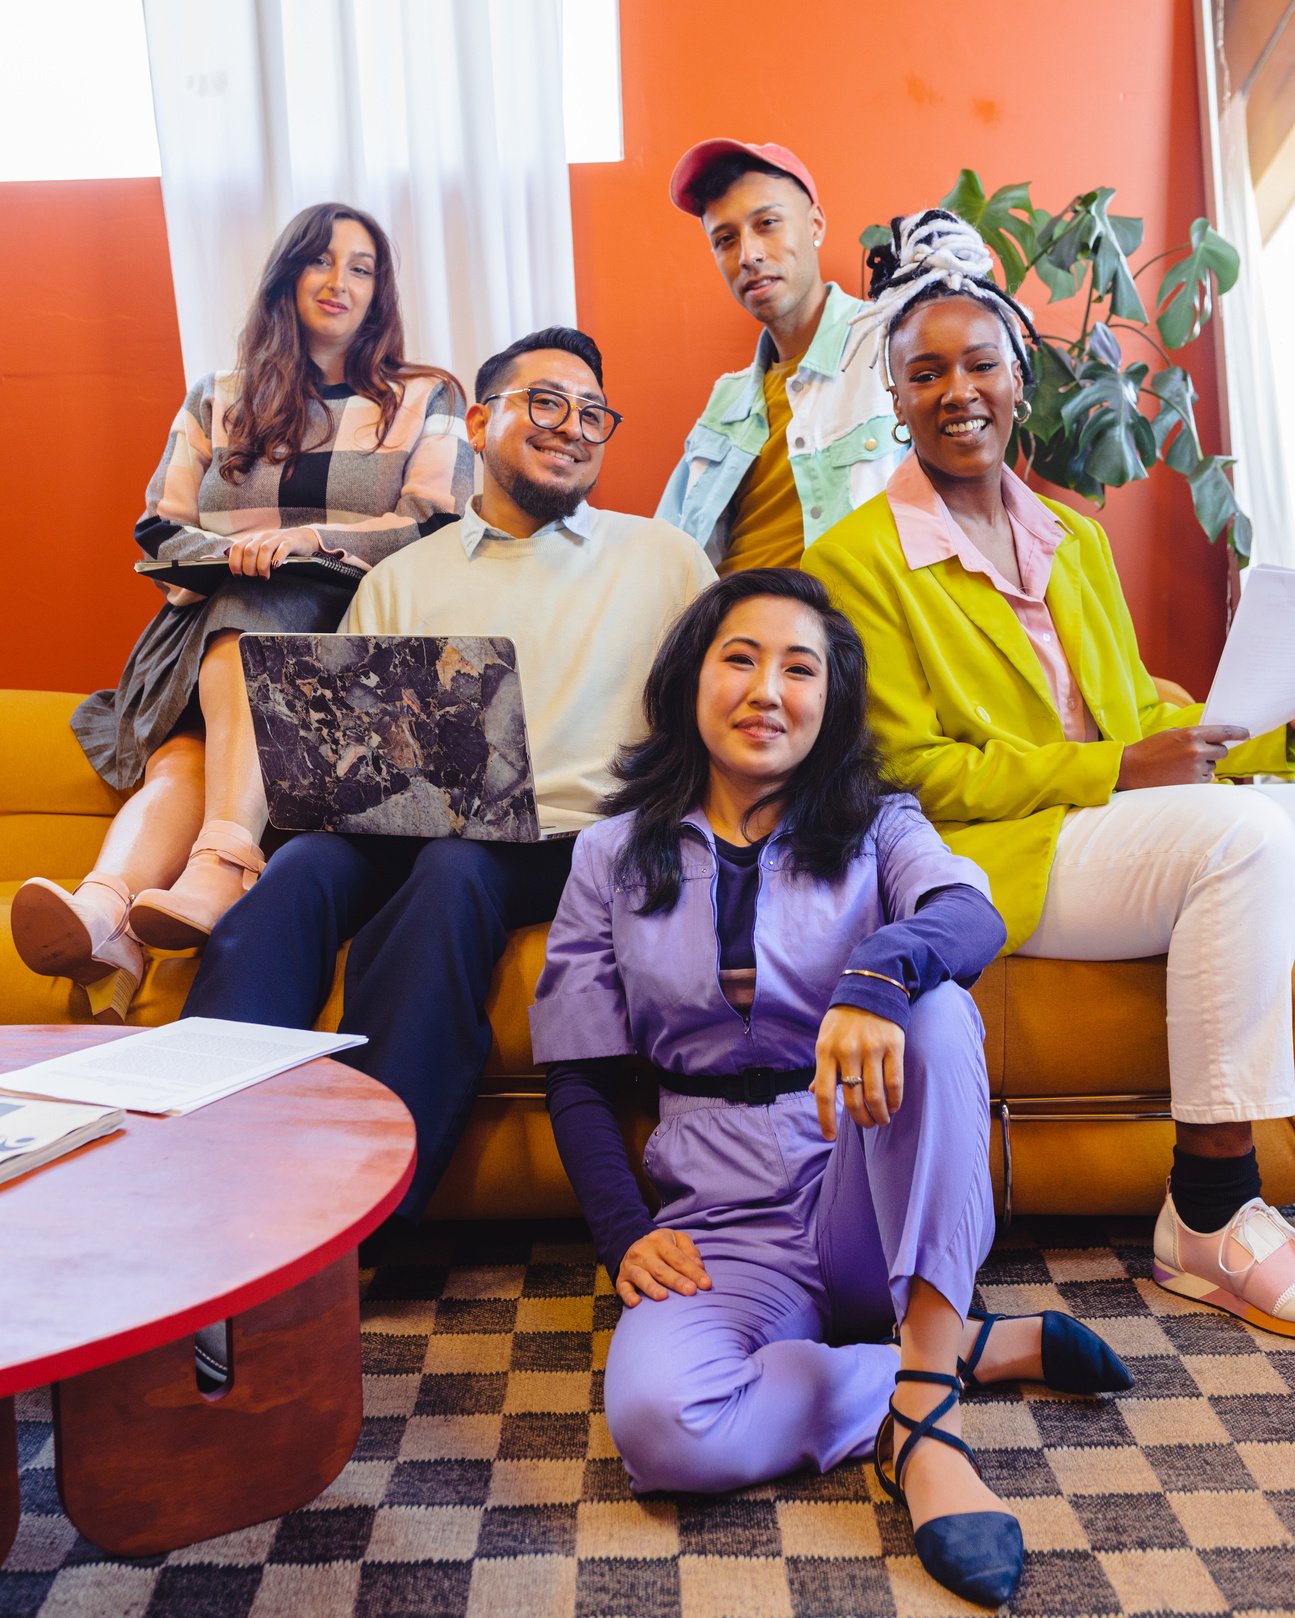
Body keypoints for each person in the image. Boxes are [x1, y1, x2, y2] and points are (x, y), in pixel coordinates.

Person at [531, 568, 1129, 1608]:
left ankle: (925, 1426)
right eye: (740, 658)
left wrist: (876, 976)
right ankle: (945, 1357)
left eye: (798, 668)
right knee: (662, 1427)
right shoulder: (606, 854)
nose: (768, 689)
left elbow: (967, 914)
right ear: (688, 681)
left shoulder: (880, 825)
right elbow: (577, 1070)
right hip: (721, 1224)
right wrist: (623, 1234)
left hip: (865, 1195)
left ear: (828, 702)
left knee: (935, 1005)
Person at [804, 207, 1295, 1338]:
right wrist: (1117, 766)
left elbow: (1141, 708)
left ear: (1019, 375)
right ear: (895, 401)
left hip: (1110, 823)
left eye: (979, 362)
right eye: (923, 373)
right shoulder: (849, 563)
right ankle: (1211, 1211)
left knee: (1270, 815)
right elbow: (908, 772)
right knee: (1246, 841)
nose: (955, 389)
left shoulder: (1073, 538)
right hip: (994, 857)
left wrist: (1262, 736)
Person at [183, 327, 717, 1219]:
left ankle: (355, 1210)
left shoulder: (663, 558)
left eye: (593, 414)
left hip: (572, 836)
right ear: (478, 421)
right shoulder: (402, 578)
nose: (572, 428)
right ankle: (202, 1166)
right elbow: (346, 748)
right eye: (544, 402)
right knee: (305, 867)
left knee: (454, 870)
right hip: (415, 818)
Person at [12, 201, 471, 1023]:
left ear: (381, 291)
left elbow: (437, 523)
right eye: (320, 261)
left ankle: (223, 863)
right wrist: (234, 555)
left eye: (361, 267)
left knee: (258, 610)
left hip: (344, 637)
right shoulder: (219, 397)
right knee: (183, 748)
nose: (339, 282)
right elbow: (159, 525)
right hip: (203, 628)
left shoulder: (422, 397)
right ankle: (104, 910)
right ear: (287, 276)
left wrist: (305, 543)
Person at [656, 139, 899, 574]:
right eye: (725, 239)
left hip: (839, 628)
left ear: (816, 225)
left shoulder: (893, 347)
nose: (748, 255)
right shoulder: (725, 402)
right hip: (723, 627)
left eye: (767, 223)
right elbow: (665, 548)